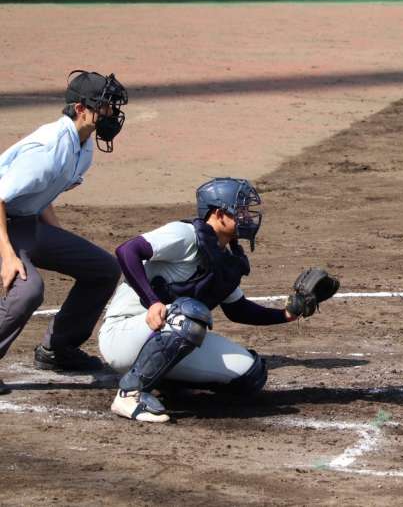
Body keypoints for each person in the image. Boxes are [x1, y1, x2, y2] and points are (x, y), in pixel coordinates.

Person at [98, 177, 338, 423]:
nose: (247, 216)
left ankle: (161, 378)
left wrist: (287, 314)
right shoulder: (185, 235)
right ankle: (130, 393)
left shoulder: (225, 257)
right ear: (218, 214)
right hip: (123, 334)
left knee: (250, 374)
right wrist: (152, 301)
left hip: (164, 333)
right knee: (189, 316)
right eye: (240, 210)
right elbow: (127, 251)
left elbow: (238, 310)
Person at [0, 70, 128, 396]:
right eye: (106, 106)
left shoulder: (82, 146)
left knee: (103, 268)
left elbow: (41, 193)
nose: (112, 114)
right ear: (81, 109)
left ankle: (58, 349)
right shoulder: (47, 150)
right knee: (26, 292)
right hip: (4, 224)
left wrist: (59, 240)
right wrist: (8, 257)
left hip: (24, 223)